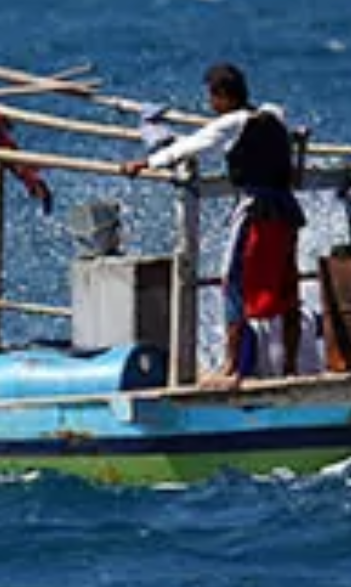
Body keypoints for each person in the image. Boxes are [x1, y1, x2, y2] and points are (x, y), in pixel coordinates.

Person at [122, 62, 306, 381]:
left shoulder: (231, 123)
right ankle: (290, 365)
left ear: (222, 96)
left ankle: (232, 365)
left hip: (256, 211)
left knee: (231, 282)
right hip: (288, 211)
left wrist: (147, 162)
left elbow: (192, 145)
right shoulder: (273, 114)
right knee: (287, 285)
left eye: (212, 98)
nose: (210, 106)